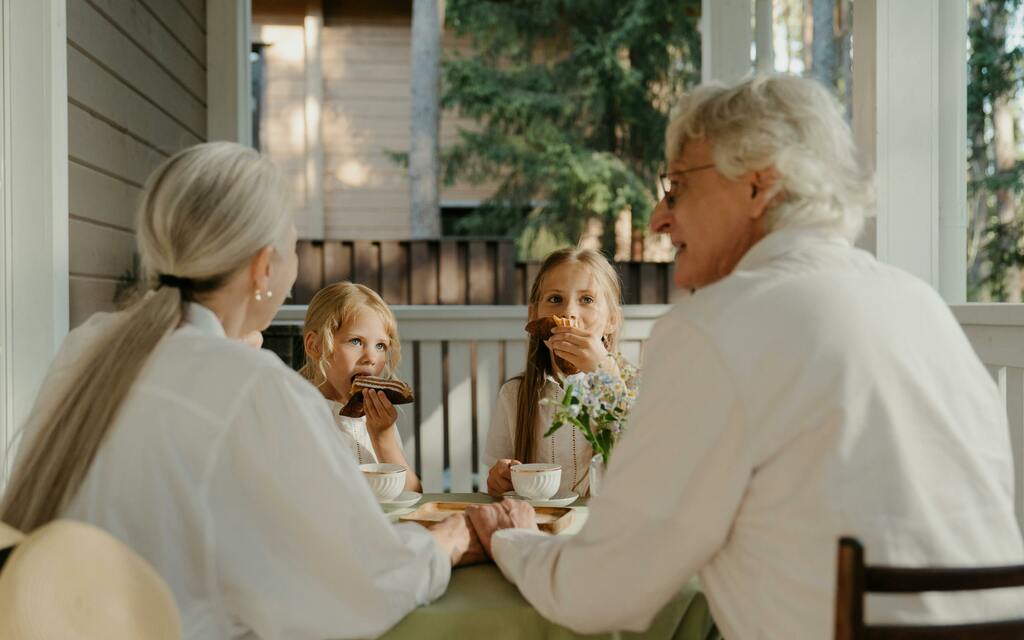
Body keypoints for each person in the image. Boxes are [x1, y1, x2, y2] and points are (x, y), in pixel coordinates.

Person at [466, 75, 1024, 639]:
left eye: (677, 186)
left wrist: (512, 534)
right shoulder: (920, 307)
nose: (661, 217)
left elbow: (597, 593)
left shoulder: (714, 326)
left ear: (758, 185)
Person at [1, 142, 479, 640]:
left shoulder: (87, 346)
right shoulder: (253, 387)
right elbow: (362, 588)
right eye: (294, 248)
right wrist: (450, 539)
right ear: (262, 268)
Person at [482, 248, 627, 496]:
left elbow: (650, 464)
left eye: (587, 300)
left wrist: (606, 374)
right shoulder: (514, 395)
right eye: (555, 299)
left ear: (611, 320)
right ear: (534, 315)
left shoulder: (634, 391)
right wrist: (499, 479)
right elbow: (497, 485)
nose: (568, 312)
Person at [300, 281, 421, 491]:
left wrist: (383, 437)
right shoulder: (299, 410)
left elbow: (412, 494)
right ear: (315, 346)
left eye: (381, 345)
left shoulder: (377, 417)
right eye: (356, 341)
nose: (371, 357)